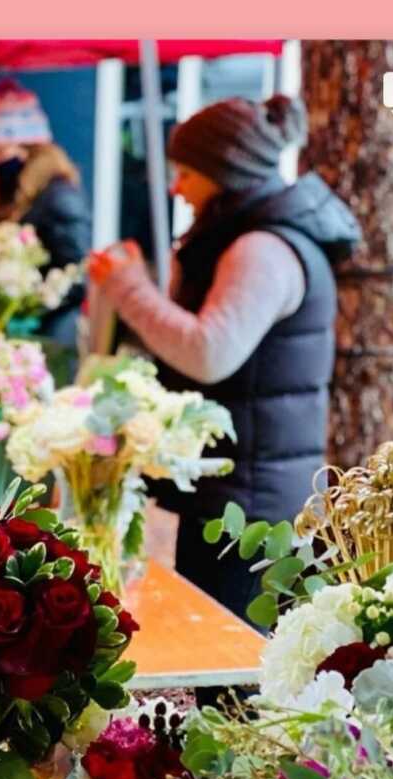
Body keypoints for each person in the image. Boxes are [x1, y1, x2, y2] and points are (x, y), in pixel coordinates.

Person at [92, 95, 361, 620]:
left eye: (187, 173)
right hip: (242, 493)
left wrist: (128, 288)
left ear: (226, 172)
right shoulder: (246, 237)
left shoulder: (261, 248)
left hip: (254, 512)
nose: (176, 188)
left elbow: (209, 353)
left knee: (238, 677)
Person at [0, 78, 91, 352]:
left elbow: (76, 275)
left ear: (29, 147)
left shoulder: (58, 197)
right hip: (19, 333)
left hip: (50, 338)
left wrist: (32, 304)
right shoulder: (9, 192)